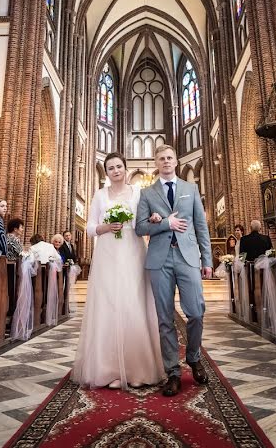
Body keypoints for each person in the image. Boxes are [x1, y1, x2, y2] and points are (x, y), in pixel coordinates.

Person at [72, 152, 165, 390]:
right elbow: (91, 227)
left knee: (133, 304)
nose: (115, 170)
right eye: (111, 167)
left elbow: (142, 221)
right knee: (109, 305)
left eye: (119, 166)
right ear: (106, 172)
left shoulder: (137, 192)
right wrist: (104, 227)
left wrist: (153, 218)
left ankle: (137, 369)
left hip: (133, 251)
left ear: (125, 168)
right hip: (108, 254)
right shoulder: (100, 195)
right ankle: (109, 369)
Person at [135, 144, 212, 397]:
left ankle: (193, 357)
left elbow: (201, 226)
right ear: (156, 163)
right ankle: (173, 372)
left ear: (176, 161)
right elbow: (140, 228)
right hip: (159, 260)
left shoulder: (191, 189)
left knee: (196, 312)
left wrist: (207, 260)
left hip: (188, 257)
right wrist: (164, 223)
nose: (166, 161)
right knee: (165, 318)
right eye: (161, 158)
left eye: (169, 157)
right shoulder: (147, 193)